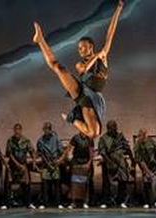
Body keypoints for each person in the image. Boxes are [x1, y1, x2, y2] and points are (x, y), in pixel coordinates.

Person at [32, 0, 124, 138]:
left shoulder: (102, 56)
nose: (80, 50)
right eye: (79, 48)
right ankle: (40, 40)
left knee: (94, 133)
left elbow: (110, 33)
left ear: (91, 46)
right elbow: (85, 69)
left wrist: (118, 11)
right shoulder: (80, 64)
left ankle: (72, 118)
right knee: (58, 67)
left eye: (83, 47)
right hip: (81, 90)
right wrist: (98, 55)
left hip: (92, 97)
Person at [98, 120, 135, 209]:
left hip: (121, 162)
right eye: (111, 127)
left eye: (115, 127)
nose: (114, 129)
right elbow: (103, 152)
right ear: (108, 128)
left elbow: (127, 148)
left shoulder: (120, 137)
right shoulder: (103, 138)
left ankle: (121, 200)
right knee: (107, 184)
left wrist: (132, 159)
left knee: (123, 182)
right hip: (109, 162)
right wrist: (110, 163)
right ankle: (107, 201)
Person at [134, 128, 156, 209]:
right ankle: (147, 202)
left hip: (155, 164)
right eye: (140, 135)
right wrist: (148, 172)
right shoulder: (137, 146)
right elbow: (141, 161)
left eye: (143, 135)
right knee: (147, 182)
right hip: (146, 165)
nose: (142, 137)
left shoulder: (151, 142)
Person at [6, 123, 35, 209]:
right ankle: (8, 204)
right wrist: (17, 164)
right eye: (15, 130)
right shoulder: (10, 140)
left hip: (23, 165)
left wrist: (33, 160)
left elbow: (32, 151)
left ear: (21, 130)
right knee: (8, 183)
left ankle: (28, 203)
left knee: (26, 184)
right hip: (13, 165)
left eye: (18, 129)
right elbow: (10, 154)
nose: (17, 131)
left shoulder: (26, 140)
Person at [36, 122, 64, 209]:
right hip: (46, 164)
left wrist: (58, 161)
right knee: (45, 185)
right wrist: (48, 165)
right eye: (44, 129)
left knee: (57, 184)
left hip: (55, 163)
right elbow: (41, 154)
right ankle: (45, 203)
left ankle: (58, 203)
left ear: (51, 129)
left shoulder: (56, 139)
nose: (46, 130)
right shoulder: (40, 140)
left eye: (47, 129)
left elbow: (61, 151)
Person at [63, 132, 94, 209]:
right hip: (76, 162)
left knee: (85, 183)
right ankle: (73, 202)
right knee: (74, 183)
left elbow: (91, 152)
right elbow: (70, 149)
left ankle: (85, 202)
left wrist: (89, 164)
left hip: (85, 163)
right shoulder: (75, 138)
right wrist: (69, 160)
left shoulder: (89, 139)